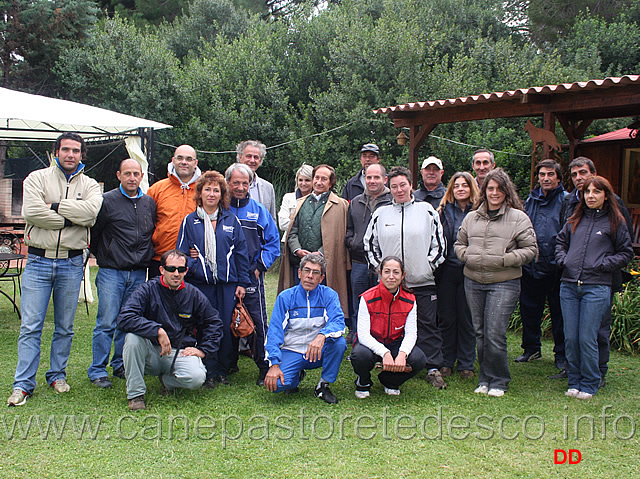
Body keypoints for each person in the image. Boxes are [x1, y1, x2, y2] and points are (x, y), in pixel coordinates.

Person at [7, 132, 102, 407]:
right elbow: (32, 213)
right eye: (66, 150)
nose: (71, 155)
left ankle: (57, 375)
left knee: (65, 327)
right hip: (38, 261)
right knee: (31, 325)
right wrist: (71, 220)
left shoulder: (91, 184)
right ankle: (23, 384)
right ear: (56, 152)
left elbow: (91, 214)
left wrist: (55, 207)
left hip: (72, 263)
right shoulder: (37, 178)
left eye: (76, 151)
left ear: (82, 154)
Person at [454, 168, 537, 398]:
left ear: (506, 191)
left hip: (503, 282)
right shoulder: (472, 217)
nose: (494, 193)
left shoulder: (518, 217)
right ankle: (485, 379)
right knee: (480, 332)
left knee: (495, 333)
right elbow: (459, 244)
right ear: (484, 191)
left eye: (499, 189)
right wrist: (467, 257)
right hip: (473, 281)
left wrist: (505, 260)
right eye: (490, 188)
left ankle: (499, 380)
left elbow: (531, 250)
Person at [364, 166, 447, 389]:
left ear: (411, 185)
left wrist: (427, 267)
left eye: (403, 185)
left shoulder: (426, 210)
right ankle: (386, 361)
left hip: (422, 281)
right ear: (388, 188)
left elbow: (438, 244)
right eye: (393, 186)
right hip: (390, 286)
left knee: (427, 325)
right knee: (387, 325)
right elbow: (370, 245)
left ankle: (432, 368)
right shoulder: (381, 213)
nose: (399, 190)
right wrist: (381, 271)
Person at [555, 176, 633, 400]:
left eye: (596, 192)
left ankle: (590, 382)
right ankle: (574, 380)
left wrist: (603, 265)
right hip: (569, 286)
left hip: (596, 287)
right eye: (587, 192)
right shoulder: (574, 219)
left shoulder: (614, 222)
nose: (590, 196)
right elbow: (560, 243)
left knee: (587, 338)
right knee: (570, 337)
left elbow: (626, 253)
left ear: (605, 195)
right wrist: (564, 260)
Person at [117, 250, 223, 411]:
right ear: (161, 270)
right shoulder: (147, 289)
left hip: (179, 352)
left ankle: (167, 381)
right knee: (132, 339)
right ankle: (136, 395)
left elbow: (214, 322)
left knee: (197, 378)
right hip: (151, 352)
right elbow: (124, 318)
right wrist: (157, 331)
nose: (176, 274)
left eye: (181, 270)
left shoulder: (193, 294)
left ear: (186, 271)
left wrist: (203, 350)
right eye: (171, 269)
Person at [176, 170, 251, 388]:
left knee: (226, 326)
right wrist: (194, 264)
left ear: (222, 194)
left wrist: (242, 283)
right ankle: (206, 368)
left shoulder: (231, 219)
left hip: (227, 284)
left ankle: (222, 369)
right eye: (207, 189)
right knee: (204, 325)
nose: (211, 194)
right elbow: (181, 253)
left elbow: (241, 253)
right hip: (200, 284)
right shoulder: (190, 221)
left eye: (216, 190)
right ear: (199, 193)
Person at [87, 159, 156, 389]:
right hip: (111, 272)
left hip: (138, 273)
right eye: (127, 173)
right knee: (106, 322)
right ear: (119, 175)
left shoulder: (148, 203)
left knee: (128, 322)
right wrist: (106, 255)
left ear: (142, 175)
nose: (132, 178)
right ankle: (98, 370)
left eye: (136, 173)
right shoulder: (106, 201)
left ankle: (120, 364)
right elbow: (94, 235)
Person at [264, 254, 347, 403]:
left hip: (317, 351)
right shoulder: (285, 297)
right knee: (276, 385)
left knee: (339, 343)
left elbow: (338, 322)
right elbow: (274, 332)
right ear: (299, 273)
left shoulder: (329, 295)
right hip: (292, 349)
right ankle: (296, 376)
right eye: (307, 271)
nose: (310, 276)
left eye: (315, 273)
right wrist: (274, 364)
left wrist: (322, 336)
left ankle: (323, 385)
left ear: (321, 278)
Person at [226, 163, 280, 385]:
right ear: (227, 183)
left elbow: (274, 243)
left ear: (250, 185)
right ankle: (226, 364)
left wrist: (259, 267)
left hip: (251, 276)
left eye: (244, 183)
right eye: (235, 183)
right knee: (223, 320)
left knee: (256, 323)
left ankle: (263, 366)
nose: (240, 187)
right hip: (224, 277)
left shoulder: (258, 210)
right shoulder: (220, 209)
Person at [516, 160, 567, 370]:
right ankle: (531, 349)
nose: (546, 178)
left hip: (555, 266)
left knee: (559, 313)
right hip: (531, 264)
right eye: (542, 175)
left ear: (558, 177)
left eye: (550, 174)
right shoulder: (531, 199)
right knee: (529, 309)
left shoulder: (566, 200)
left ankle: (561, 354)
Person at [279, 164, 350, 317]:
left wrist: (320, 252)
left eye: (324, 179)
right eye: (316, 178)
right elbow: (292, 232)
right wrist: (297, 249)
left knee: (323, 303)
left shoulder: (340, 205)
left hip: (326, 266)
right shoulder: (301, 203)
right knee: (299, 301)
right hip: (300, 262)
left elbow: (339, 237)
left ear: (331, 183)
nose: (319, 182)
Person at [350, 256, 427, 398]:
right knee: (359, 355)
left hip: (395, 342)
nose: (391, 277)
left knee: (419, 359)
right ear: (380, 273)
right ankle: (363, 381)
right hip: (372, 343)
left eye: (396, 272)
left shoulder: (410, 299)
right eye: (387, 272)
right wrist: (384, 353)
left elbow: (411, 333)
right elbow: (363, 334)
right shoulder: (367, 298)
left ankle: (390, 381)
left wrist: (402, 354)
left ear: (403, 275)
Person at [436, 171, 479, 379]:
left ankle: (466, 363)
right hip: (447, 270)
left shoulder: (480, 211)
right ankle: (446, 361)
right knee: (447, 318)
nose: (460, 189)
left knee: (466, 318)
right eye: (456, 186)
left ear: (472, 188)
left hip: (470, 270)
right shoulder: (443, 211)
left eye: (465, 185)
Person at [344, 163, 392, 339]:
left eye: (376, 177)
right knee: (360, 303)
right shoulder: (356, 202)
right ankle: (359, 339)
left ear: (385, 179)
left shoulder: (392, 201)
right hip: (359, 262)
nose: (372, 181)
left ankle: (381, 339)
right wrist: (353, 242)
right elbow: (348, 229)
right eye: (368, 177)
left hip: (383, 263)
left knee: (381, 304)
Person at [147, 144, 201, 277]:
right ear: (173, 160)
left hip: (192, 261)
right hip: (159, 259)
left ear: (195, 163)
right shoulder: (157, 189)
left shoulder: (204, 191)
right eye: (180, 158)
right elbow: (146, 224)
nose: (184, 162)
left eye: (189, 159)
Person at [237, 140, 276, 219]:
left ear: (260, 160)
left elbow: (271, 220)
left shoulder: (268, 188)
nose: (252, 160)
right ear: (240, 157)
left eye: (256, 157)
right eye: (248, 156)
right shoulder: (224, 184)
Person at [278, 163, 313, 236]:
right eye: (300, 180)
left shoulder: (317, 199)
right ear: (296, 180)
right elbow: (282, 224)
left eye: (307, 180)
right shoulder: (288, 198)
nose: (303, 183)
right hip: (289, 241)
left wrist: (293, 219)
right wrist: (308, 226)